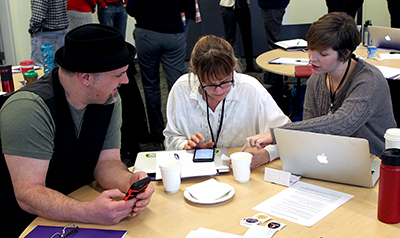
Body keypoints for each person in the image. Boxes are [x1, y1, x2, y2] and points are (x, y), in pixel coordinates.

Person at [0, 24, 154, 237]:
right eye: (119, 74)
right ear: (86, 78)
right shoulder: (30, 108)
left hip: (76, 215)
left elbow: (106, 163)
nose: (126, 81)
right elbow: (28, 194)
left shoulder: (108, 99)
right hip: (24, 224)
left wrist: (130, 183)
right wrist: (89, 211)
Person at [242, 12, 397, 156]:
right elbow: (309, 127)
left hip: (375, 160)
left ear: (346, 53)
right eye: (310, 49)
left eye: (323, 54)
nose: (312, 58)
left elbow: (342, 123)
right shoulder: (317, 79)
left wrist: (276, 134)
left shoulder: (369, 81)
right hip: (332, 157)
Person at [163, 35, 290, 169]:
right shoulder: (182, 89)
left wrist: (265, 155)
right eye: (210, 85)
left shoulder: (251, 89)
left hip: (244, 170)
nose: (218, 91)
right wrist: (186, 146)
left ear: (233, 68)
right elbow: (170, 138)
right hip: (197, 170)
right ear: (196, 74)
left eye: (225, 82)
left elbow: (287, 135)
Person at [126, 0, 189, 145]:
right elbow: (186, 6)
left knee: (150, 85)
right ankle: (179, 130)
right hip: (173, 33)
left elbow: (132, 9)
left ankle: (157, 133)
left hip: (147, 33)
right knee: (178, 84)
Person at [220, 0, 262, 73]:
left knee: (247, 37)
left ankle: (250, 66)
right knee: (230, 39)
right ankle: (229, 67)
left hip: (244, 6)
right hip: (228, 7)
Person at [29, 0, 69, 67]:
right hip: (62, 31)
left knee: (41, 67)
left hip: (45, 34)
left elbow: (38, 14)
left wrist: (32, 30)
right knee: (61, 68)